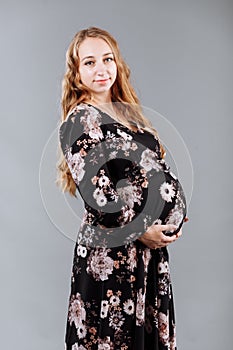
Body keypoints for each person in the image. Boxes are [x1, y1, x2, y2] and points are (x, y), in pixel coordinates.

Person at [56, 26, 188, 350]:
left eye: (107, 58)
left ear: (117, 63)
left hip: (149, 254)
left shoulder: (131, 117)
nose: (101, 69)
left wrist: (173, 217)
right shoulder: (79, 121)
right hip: (112, 254)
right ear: (76, 73)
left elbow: (160, 173)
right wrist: (143, 229)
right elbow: (98, 194)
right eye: (89, 62)